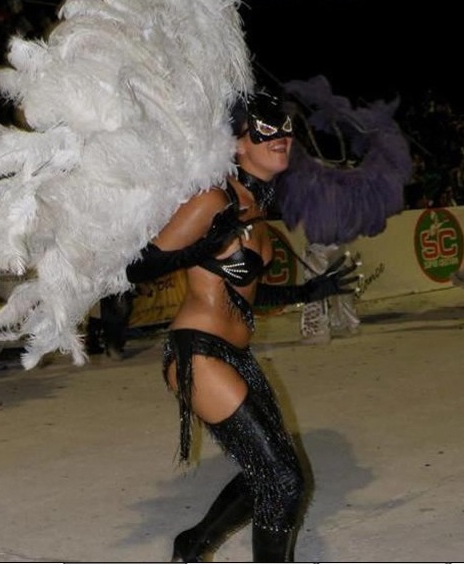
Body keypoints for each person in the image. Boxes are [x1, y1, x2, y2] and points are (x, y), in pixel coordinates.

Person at [124, 90, 360, 562]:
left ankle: (192, 547)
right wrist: (204, 245)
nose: (281, 137)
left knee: (269, 472)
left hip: (235, 356)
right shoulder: (214, 198)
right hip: (199, 352)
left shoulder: (258, 213)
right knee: (284, 481)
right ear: (236, 143)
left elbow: (248, 297)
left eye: (286, 128)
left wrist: (307, 292)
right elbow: (137, 267)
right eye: (265, 129)